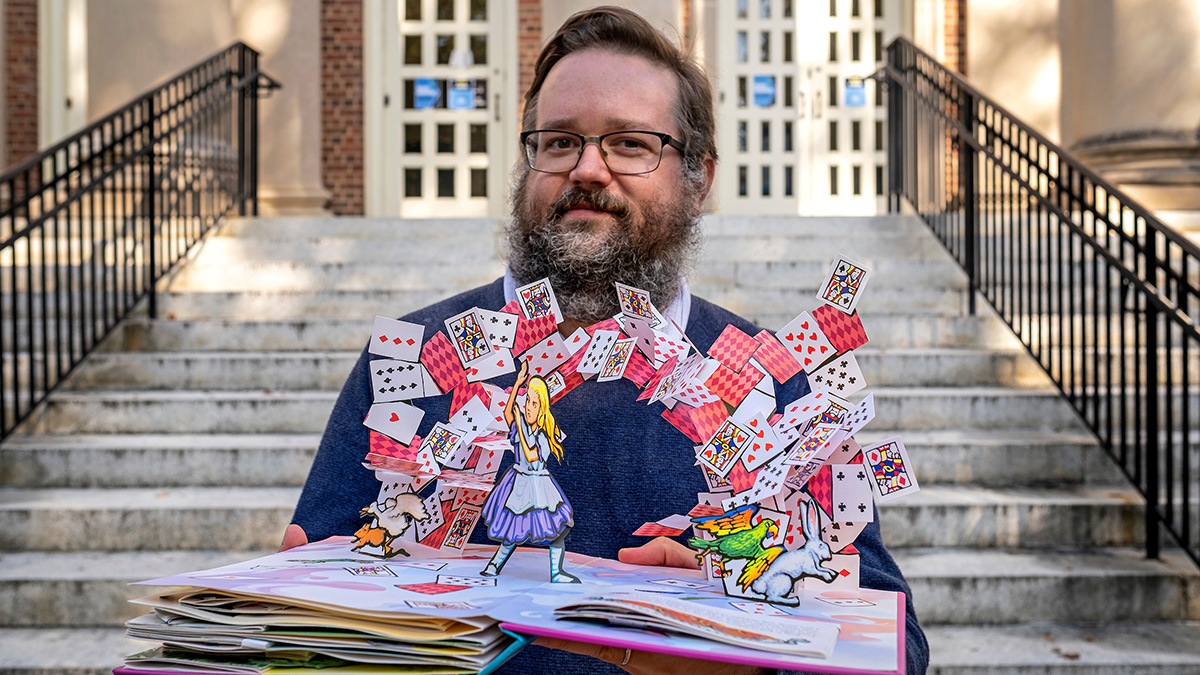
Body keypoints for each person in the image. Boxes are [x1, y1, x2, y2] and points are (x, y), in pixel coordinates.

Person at [282, 6, 929, 674]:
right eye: (559, 141)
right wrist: (289, 624)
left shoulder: (771, 375)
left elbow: (894, 645)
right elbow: (311, 618)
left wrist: (755, 654)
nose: (588, 168)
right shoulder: (416, 355)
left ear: (699, 177)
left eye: (629, 144)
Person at [479, 360, 577, 582]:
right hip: (518, 483)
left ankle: (556, 573)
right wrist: (517, 383)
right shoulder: (519, 423)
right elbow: (507, 413)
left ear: (542, 407)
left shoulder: (544, 434)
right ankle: (494, 567)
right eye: (527, 402)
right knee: (512, 529)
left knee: (557, 531)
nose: (528, 407)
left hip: (539, 485)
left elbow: (532, 455)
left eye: (534, 403)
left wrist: (523, 430)